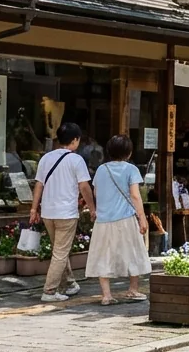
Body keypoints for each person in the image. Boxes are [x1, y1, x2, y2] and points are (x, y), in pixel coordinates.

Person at [29, 122, 94, 303]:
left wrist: (34, 208)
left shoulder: (46, 158)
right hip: (66, 213)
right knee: (60, 252)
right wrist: (92, 207)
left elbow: (39, 184)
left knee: (59, 250)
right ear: (75, 140)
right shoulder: (76, 160)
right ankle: (49, 291)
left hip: (48, 212)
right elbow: (84, 187)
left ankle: (70, 283)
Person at [88, 135, 152, 304]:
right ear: (129, 153)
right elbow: (135, 195)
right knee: (133, 252)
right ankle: (133, 290)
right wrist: (142, 218)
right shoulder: (131, 169)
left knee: (104, 255)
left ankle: (106, 295)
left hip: (103, 220)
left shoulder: (101, 169)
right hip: (125, 218)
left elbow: (96, 192)